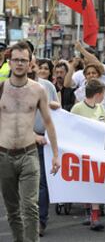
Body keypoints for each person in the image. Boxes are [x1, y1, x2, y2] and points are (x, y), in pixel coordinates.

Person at [0, 41, 60, 242]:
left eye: (23, 60)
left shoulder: (38, 90)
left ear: (29, 64)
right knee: (12, 209)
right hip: (4, 156)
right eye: (15, 60)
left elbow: (49, 123)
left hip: (29, 154)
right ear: (10, 62)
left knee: (30, 207)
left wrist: (56, 155)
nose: (19, 64)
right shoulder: (1, 88)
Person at [70, 79, 105, 231]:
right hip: (82, 153)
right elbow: (71, 128)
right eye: (103, 94)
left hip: (98, 153)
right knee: (88, 185)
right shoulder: (78, 108)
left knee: (96, 184)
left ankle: (94, 216)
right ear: (98, 94)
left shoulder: (100, 108)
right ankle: (91, 214)